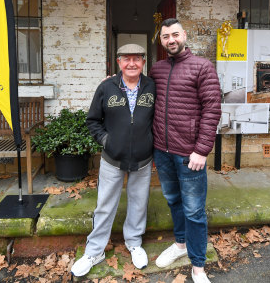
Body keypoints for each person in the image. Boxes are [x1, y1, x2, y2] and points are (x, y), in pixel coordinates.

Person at [71, 43, 156, 278]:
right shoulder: (106, 87)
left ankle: (134, 242)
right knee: (105, 205)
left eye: (137, 59)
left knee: (139, 202)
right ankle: (94, 251)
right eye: (126, 59)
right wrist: (106, 140)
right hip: (112, 158)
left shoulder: (151, 87)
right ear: (118, 62)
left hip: (143, 158)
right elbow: (92, 121)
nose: (131, 63)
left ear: (143, 62)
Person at [149, 18, 221, 283]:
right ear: (162, 41)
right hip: (163, 151)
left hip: (189, 154)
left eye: (175, 34)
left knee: (194, 211)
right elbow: (139, 92)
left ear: (184, 35)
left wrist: (201, 150)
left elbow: (212, 109)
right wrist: (115, 81)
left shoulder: (202, 67)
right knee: (173, 201)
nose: (171, 40)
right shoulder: (157, 69)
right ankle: (180, 245)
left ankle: (198, 266)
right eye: (166, 36)